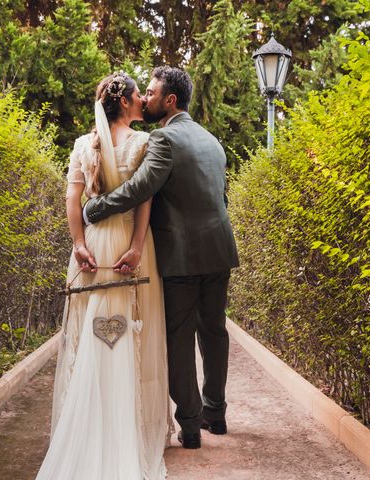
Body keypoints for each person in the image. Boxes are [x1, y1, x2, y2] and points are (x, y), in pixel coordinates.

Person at [83, 66, 239, 450]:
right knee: (215, 332)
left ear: (170, 101)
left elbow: (140, 188)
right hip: (219, 251)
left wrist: (96, 209)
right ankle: (215, 413)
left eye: (151, 93)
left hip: (182, 257)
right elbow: (218, 198)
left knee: (180, 338)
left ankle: (189, 425)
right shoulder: (212, 141)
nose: (146, 98)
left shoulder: (164, 139)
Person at [36, 73, 171, 480]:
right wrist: (134, 246)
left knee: (91, 329)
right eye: (138, 96)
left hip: (93, 243)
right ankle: (131, 424)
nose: (142, 102)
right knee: (132, 332)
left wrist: (78, 244)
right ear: (127, 102)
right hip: (130, 242)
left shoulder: (83, 144)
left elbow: (72, 198)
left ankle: (88, 417)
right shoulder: (142, 143)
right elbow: (143, 200)